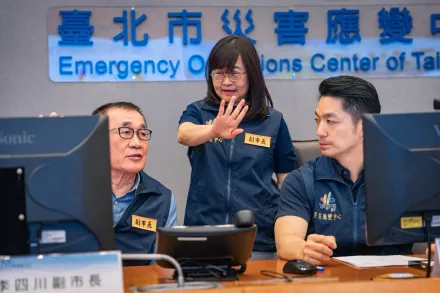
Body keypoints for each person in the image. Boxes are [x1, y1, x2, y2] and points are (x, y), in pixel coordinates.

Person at [177, 35, 296, 259]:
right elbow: (184, 134)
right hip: (204, 232)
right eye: (219, 73)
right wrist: (213, 130)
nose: (226, 81)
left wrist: (289, 233)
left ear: (251, 75)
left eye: (234, 73)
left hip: (258, 237)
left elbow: (286, 181)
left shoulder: (273, 121)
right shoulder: (200, 112)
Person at [274, 75, 413, 265]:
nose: (320, 131)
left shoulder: (403, 178)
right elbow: (286, 242)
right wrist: (304, 249)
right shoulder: (302, 180)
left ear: (364, 125)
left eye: (330, 121)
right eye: (317, 120)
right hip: (326, 280)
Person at [42, 102, 177, 264]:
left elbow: (160, 269)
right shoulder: (66, 186)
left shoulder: (161, 199)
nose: (136, 143)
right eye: (125, 132)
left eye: (142, 133)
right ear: (96, 139)